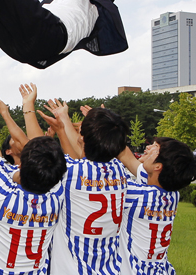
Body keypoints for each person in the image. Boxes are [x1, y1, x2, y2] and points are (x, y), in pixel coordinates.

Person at [0, 75, 66, 274]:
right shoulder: (57, 195)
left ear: (22, 164)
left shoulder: (1, 192)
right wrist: (27, 107)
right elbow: (40, 150)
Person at [39, 103, 130, 275]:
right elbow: (79, 153)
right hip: (109, 269)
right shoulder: (120, 171)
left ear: (82, 138)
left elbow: (59, 154)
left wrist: (60, 121)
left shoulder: (70, 172)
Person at [116, 137, 196, 275]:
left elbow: (106, 178)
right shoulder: (171, 194)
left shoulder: (139, 196)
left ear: (158, 167)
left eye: (156, 148)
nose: (150, 148)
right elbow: (127, 157)